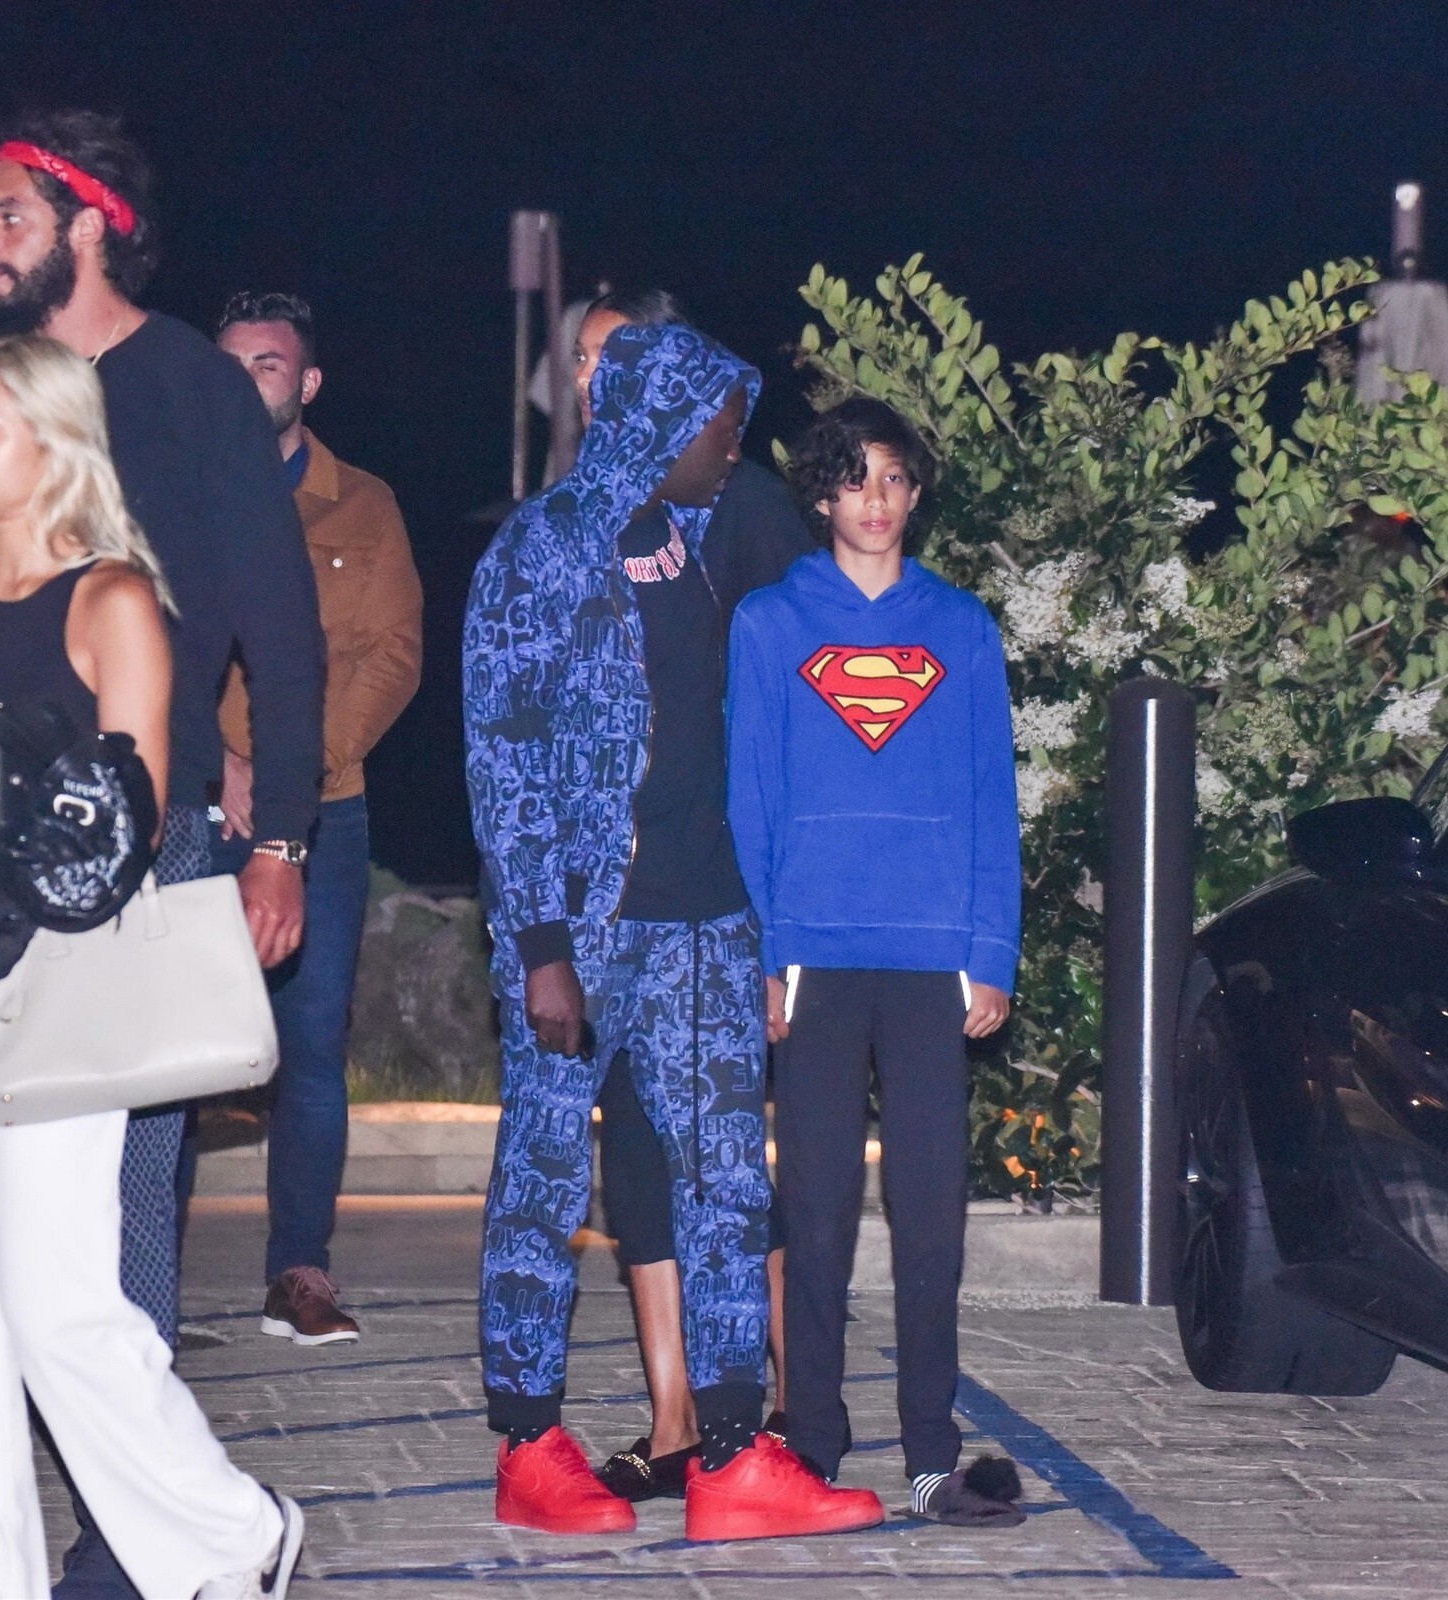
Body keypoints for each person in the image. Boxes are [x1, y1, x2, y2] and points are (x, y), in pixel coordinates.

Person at [0, 333, 306, 1599]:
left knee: (58, 1312)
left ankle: (232, 1534)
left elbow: (128, 821)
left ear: (54, 442)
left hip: (54, 994)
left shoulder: (114, 601)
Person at [0, 109, 322, 1599]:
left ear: (88, 225)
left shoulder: (194, 388)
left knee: (115, 1213)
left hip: (141, 843)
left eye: (8, 215)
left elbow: (281, 629)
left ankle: (137, 1542)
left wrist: (281, 840)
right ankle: (71, 1539)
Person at [463, 321, 883, 1542]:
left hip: (707, 919)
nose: (733, 447)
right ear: (656, 420)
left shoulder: (687, 536)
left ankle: (734, 1455)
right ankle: (527, 1443)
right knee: (544, 1178)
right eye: (720, 426)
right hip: (584, 928)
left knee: (726, 1189)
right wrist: (539, 944)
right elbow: (504, 752)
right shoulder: (543, 547)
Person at [725, 397, 1028, 1528]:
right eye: (854, 479)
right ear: (821, 495)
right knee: (814, 1214)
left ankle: (929, 1453)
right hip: (813, 954)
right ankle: (811, 1441)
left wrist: (989, 949)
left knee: (931, 1219)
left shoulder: (960, 626)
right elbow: (750, 797)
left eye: (894, 479)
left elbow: (990, 797)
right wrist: (763, 950)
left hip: (929, 959)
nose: (876, 501)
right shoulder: (770, 622)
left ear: (915, 492)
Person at [563, 289, 814, 1503]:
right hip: (617, 900)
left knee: (729, 1162)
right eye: (579, 358)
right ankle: (672, 1421)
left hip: (723, 889)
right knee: (638, 1158)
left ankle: (777, 1411)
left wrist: (781, 922)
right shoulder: (581, 515)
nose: (591, 377)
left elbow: (795, 719)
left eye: (614, 355)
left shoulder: (747, 506)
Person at [212, 290, 423, 1346]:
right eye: (232, 363)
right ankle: (137, 1291)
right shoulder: (172, 495)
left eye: (267, 364)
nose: (248, 381)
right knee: (171, 1053)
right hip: (198, 810)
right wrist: (215, 765)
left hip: (322, 814)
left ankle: (300, 1271)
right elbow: (132, 641)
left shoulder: (364, 505)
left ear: (307, 382)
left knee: (310, 1046)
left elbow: (394, 655)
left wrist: (291, 776)